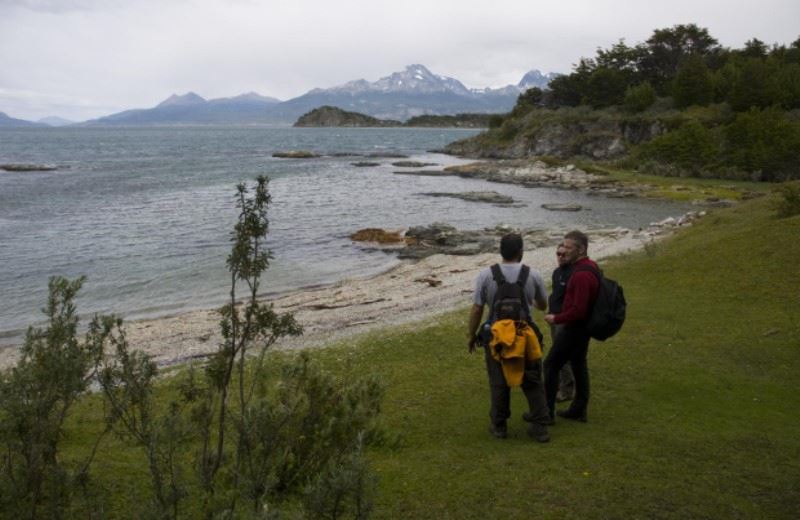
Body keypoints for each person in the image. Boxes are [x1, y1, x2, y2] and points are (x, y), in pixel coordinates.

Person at [467, 233, 550, 442]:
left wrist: (471, 335)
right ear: (520, 251)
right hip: (525, 335)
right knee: (532, 380)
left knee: (498, 381)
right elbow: (542, 305)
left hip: (496, 337)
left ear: (500, 251)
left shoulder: (485, 275)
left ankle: (499, 426)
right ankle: (540, 427)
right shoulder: (533, 275)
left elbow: (477, 309)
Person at [544, 230, 600, 423]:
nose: (564, 251)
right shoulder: (590, 267)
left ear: (581, 249)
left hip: (574, 328)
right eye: (563, 247)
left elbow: (578, 311)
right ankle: (579, 409)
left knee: (550, 365)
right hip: (582, 328)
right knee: (578, 364)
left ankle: (546, 413)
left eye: (568, 248)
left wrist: (556, 318)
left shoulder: (582, 274)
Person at [549, 243, 576, 403]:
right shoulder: (556, 272)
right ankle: (562, 384)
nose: (560, 257)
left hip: (564, 319)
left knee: (561, 354)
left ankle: (566, 389)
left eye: (563, 254)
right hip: (553, 318)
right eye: (558, 254)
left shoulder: (573, 274)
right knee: (560, 352)